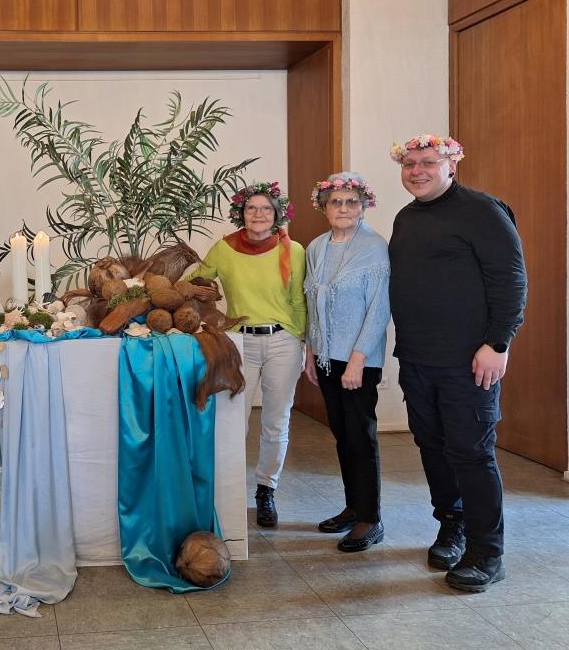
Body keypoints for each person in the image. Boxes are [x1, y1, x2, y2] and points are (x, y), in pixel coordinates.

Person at [389, 134, 526, 592]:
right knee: (432, 446)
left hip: (469, 361)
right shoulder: (406, 217)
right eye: (409, 164)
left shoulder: (483, 210)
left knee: (472, 453)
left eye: (428, 162)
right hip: (417, 357)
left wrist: (498, 343)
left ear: (451, 165)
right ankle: (453, 525)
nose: (417, 171)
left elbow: (510, 279)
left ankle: (488, 553)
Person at [187, 180, 307, 527]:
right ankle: (228, 491)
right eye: (251, 208)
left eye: (266, 208)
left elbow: (298, 300)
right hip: (240, 342)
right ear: (241, 213)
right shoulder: (224, 249)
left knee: (276, 420)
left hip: (283, 341)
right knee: (233, 419)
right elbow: (196, 282)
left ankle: (266, 490)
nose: (258, 214)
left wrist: (301, 340)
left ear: (277, 214)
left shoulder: (293, 250)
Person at [303, 173, 390, 553]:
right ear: (323, 208)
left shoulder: (374, 247)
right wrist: (311, 350)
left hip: (358, 360)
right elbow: (311, 303)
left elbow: (379, 309)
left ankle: (371, 518)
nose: (343, 208)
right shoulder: (317, 247)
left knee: (360, 437)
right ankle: (353, 507)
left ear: (363, 207)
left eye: (351, 201)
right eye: (335, 202)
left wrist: (357, 360)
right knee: (342, 436)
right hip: (326, 357)